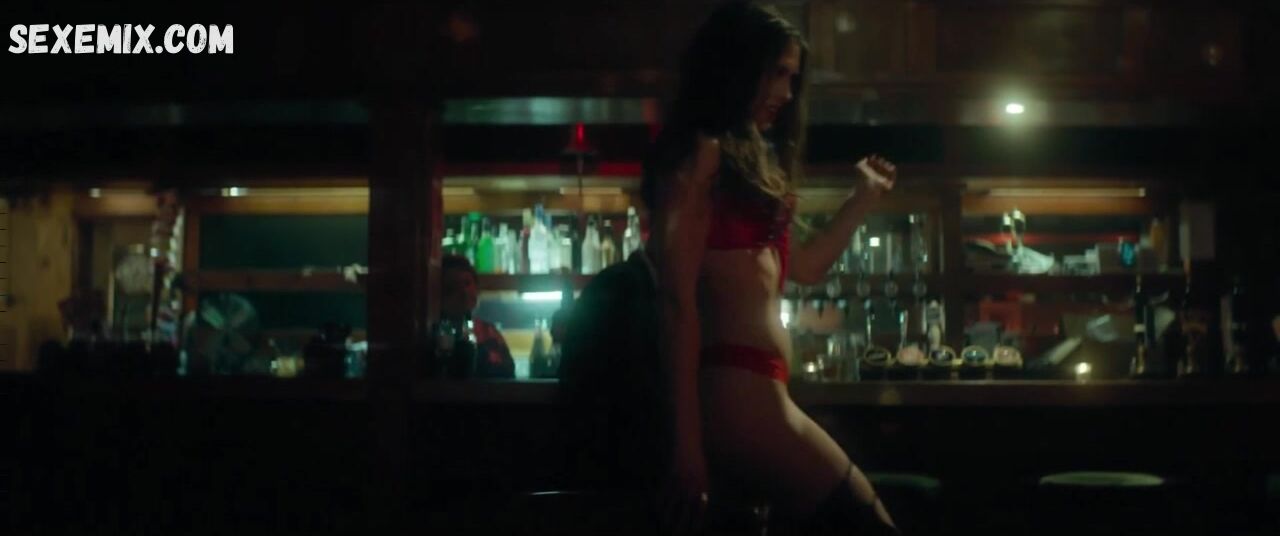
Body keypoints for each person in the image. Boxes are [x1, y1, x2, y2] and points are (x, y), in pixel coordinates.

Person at [642, 2, 899, 534]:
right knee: (866, 523)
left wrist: (862, 199)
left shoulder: (744, 161)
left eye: (792, 78)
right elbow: (675, 303)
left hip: (758, 392)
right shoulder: (700, 155)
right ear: (738, 68)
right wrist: (686, 449)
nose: (785, 93)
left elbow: (805, 267)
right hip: (737, 394)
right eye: (777, 73)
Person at [440, 254, 515, 379]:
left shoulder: (488, 332)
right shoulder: (439, 334)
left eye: (467, 283)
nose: (464, 292)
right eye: (453, 287)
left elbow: (508, 376)